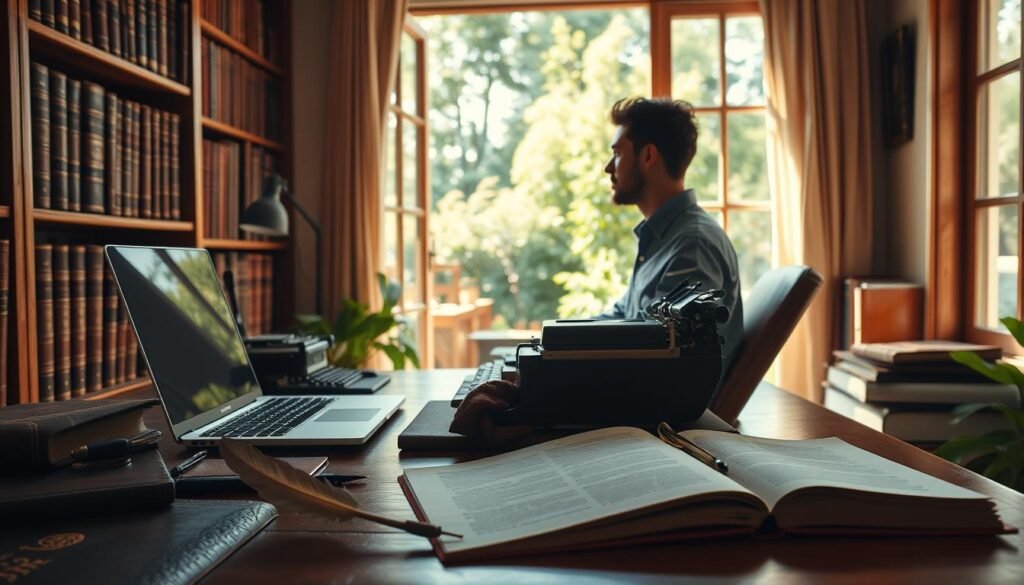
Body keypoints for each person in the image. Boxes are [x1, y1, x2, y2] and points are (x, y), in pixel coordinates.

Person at [451, 97, 744, 444]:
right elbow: (624, 318)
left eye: (618, 153)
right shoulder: (666, 238)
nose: (609, 166)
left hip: (658, 430)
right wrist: (551, 344)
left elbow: (670, 371)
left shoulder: (691, 245)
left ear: (648, 156)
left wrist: (547, 379)